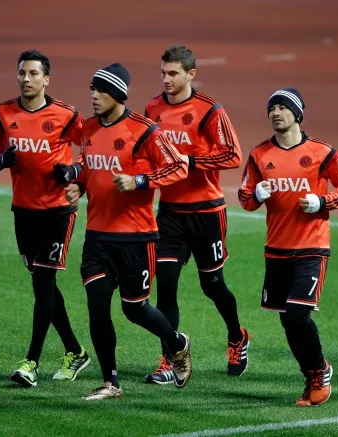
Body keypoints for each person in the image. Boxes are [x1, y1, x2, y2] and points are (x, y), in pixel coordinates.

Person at [64, 63, 192, 401]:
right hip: (97, 236)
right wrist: (79, 185)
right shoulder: (88, 128)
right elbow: (90, 166)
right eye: (92, 89)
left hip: (136, 237)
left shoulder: (145, 131)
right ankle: (111, 382)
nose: (93, 96)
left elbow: (177, 166)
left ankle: (177, 343)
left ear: (117, 95)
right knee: (96, 307)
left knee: (135, 309)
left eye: (100, 90)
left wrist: (140, 181)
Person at [238, 88, 338, 406]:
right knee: (287, 320)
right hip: (276, 250)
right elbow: (245, 198)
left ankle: (319, 372)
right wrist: (257, 196)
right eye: (272, 108)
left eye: (282, 107)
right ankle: (312, 375)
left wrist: (323, 201)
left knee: (295, 316)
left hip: (311, 248)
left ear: (297, 113)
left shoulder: (322, 152)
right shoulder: (259, 154)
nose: (275, 113)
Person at [0, 50, 90, 387]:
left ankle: (31, 362)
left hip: (58, 212)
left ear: (46, 80)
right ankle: (75, 351)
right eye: (22, 73)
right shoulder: (3, 114)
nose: (26, 79)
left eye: (33, 73)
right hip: (23, 212)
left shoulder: (66, 115)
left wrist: (74, 172)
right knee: (45, 287)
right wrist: (1, 160)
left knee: (43, 284)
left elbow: (94, 149)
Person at [143, 45, 249, 383]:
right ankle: (170, 360)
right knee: (166, 286)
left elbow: (232, 155)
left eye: (173, 73)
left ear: (191, 74)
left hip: (207, 212)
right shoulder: (152, 108)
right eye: (163, 72)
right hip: (170, 213)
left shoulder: (209, 110)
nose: (166, 79)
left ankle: (237, 336)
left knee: (213, 285)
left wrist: (188, 161)